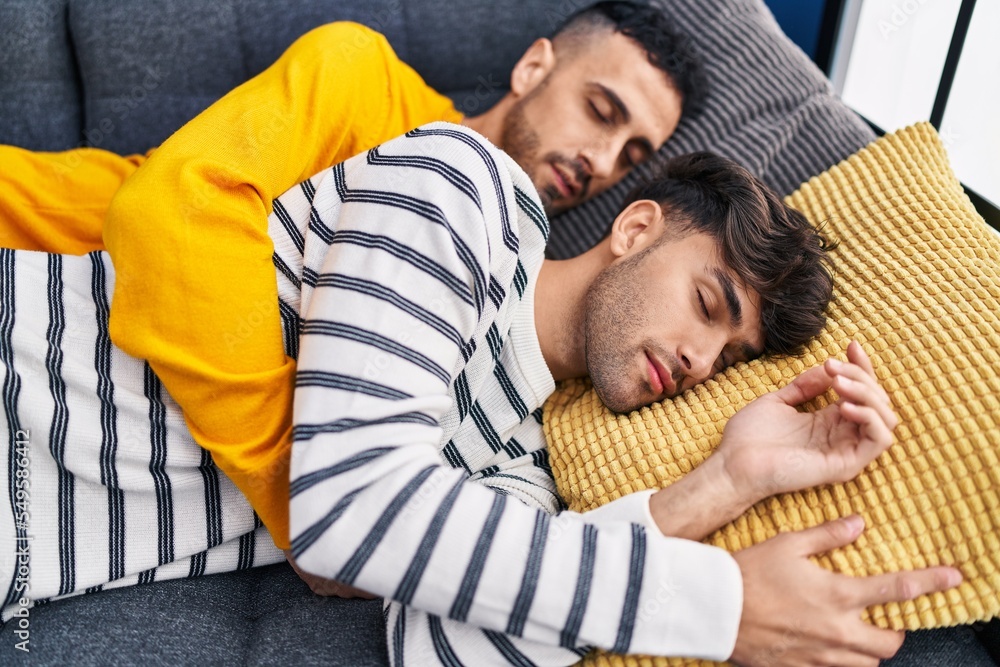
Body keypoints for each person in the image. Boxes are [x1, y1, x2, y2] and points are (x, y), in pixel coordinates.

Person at [0, 122, 961, 665]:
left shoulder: (525, 467)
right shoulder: (472, 196)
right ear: (634, 228)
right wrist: (720, 605)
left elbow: (441, 653)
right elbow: (347, 504)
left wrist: (725, 481)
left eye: (729, 354)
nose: (700, 359)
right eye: (709, 302)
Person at [0, 2, 701, 553]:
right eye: (600, 111)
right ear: (534, 68)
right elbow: (175, 212)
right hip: (35, 242)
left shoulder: (519, 290)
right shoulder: (362, 75)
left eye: (632, 151)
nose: (603, 160)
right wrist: (295, 489)